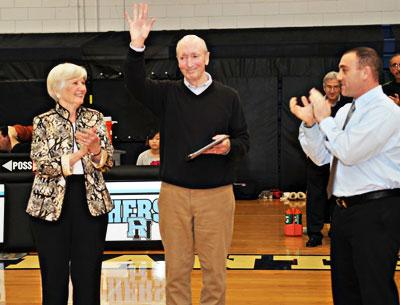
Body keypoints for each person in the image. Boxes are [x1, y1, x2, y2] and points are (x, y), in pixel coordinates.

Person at [124, 3, 250, 305]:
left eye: (195, 56)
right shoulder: (167, 94)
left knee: (214, 270)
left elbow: (244, 140)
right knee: (176, 270)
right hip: (174, 195)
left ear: (206, 58)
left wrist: (229, 145)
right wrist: (137, 46)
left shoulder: (228, 97)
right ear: (177, 61)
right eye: (183, 57)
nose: (189, 62)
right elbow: (135, 84)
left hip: (216, 196)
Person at [290, 47, 400, 305]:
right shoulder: (345, 112)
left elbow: (349, 151)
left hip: (376, 211)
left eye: (344, 69)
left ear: (366, 72)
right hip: (344, 210)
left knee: (375, 290)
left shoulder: (386, 111)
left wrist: (324, 119)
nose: (339, 77)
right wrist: (310, 124)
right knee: (345, 289)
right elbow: (322, 157)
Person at [26, 63, 114, 305]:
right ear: (58, 88)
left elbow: (107, 161)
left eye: (83, 82)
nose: (81, 88)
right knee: (54, 276)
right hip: (50, 207)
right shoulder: (43, 121)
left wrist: (96, 151)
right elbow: (41, 164)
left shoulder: (95, 117)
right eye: (75, 83)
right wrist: (77, 155)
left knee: (88, 274)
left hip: (90, 204)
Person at [304, 71, 350, 247]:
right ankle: (315, 233)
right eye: (329, 87)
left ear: (340, 87)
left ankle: (335, 229)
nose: (332, 90)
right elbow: (305, 129)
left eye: (335, 87)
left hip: (339, 159)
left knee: (338, 194)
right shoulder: (315, 105)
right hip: (317, 157)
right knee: (315, 195)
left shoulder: (348, 106)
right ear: (324, 88)